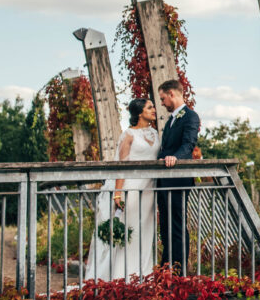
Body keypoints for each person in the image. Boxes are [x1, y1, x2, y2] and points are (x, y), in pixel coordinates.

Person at [85, 98, 160, 281]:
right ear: (140, 112)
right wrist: (118, 194)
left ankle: (144, 275)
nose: (154, 110)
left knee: (146, 232)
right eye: (150, 107)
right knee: (130, 232)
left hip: (149, 191)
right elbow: (122, 166)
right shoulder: (128, 135)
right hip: (131, 189)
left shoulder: (155, 134)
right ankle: (121, 277)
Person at [157, 79, 200, 272]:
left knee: (177, 225)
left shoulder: (190, 116)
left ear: (172, 94)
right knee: (165, 226)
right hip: (164, 180)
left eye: (163, 98)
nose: (162, 102)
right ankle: (166, 268)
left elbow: (188, 144)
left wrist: (175, 158)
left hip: (178, 179)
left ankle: (179, 271)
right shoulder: (170, 121)